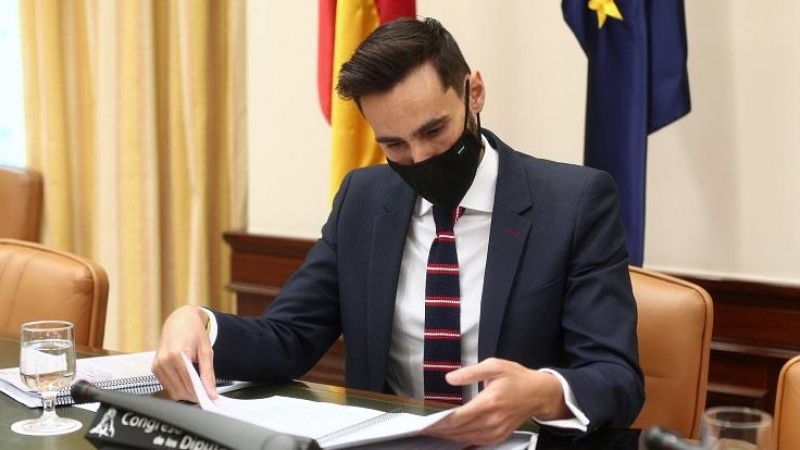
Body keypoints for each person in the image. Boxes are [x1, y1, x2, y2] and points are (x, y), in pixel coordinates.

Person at [152, 16, 644, 446]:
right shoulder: (363, 200)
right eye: (395, 145)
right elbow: (291, 336)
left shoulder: (574, 202)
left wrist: (542, 392)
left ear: (473, 93)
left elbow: (616, 378)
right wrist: (200, 323)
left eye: (434, 131)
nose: (421, 157)